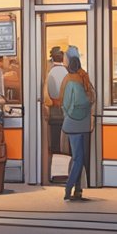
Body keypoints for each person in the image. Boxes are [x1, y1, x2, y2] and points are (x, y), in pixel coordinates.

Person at [59, 53, 96, 201]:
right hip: (84, 123)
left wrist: (67, 114)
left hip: (72, 123)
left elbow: (66, 104)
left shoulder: (69, 81)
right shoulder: (84, 79)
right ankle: (75, 190)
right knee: (80, 157)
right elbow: (91, 98)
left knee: (77, 157)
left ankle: (70, 189)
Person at [44, 47, 68, 184]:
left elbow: (48, 92)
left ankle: (55, 170)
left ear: (52, 58)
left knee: (54, 141)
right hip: (66, 109)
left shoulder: (50, 72)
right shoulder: (66, 72)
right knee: (65, 140)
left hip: (54, 109)